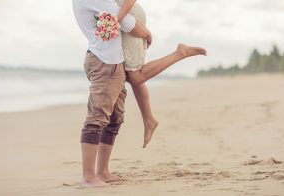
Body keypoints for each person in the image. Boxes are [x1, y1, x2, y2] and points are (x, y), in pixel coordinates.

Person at [72, 0, 206, 188]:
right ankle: (88, 176)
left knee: (114, 119)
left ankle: (102, 172)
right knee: (97, 118)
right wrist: (146, 33)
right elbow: (124, 21)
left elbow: (119, 18)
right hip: (104, 62)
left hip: (113, 61)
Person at [116, 0, 207, 148]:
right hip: (124, 16)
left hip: (127, 16)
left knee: (135, 75)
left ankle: (180, 53)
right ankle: (149, 119)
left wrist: (117, 19)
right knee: (131, 72)